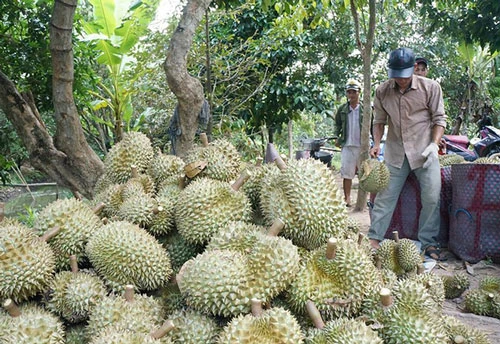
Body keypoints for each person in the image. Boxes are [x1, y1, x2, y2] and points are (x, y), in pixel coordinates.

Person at [368, 47, 447, 261]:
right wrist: (376, 144)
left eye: (404, 76)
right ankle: (374, 238)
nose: (401, 81)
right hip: (395, 152)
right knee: (385, 197)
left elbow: (439, 120)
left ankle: (429, 242)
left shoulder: (431, 88)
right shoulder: (382, 91)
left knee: (431, 197)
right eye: (396, 76)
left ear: (414, 69)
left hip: (424, 151)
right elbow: (379, 122)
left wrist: (434, 144)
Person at [334, 79, 363, 207]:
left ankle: (362, 200)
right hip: (347, 144)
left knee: (365, 173)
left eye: (354, 92)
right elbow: (337, 124)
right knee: (347, 173)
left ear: (359, 93)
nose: (351, 95)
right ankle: (347, 198)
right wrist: (337, 137)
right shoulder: (342, 109)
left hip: (363, 146)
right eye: (349, 92)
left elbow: (373, 125)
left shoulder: (365, 109)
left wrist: (374, 143)